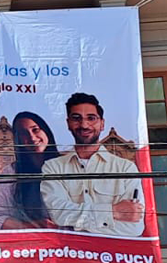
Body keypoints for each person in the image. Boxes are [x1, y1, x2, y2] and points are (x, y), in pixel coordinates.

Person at [40, 93, 145, 236]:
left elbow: (133, 227)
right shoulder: (53, 168)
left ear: (102, 124)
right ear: (68, 123)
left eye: (91, 118)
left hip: (115, 255)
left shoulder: (125, 168)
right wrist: (113, 212)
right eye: (76, 118)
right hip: (70, 254)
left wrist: (74, 224)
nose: (84, 125)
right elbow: (58, 215)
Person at [0, 112, 61, 230]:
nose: (32, 137)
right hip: (32, 245)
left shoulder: (69, 166)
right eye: (24, 134)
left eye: (35, 130)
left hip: (72, 245)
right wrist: (32, 226)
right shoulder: (11, 173)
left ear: (46, 131)